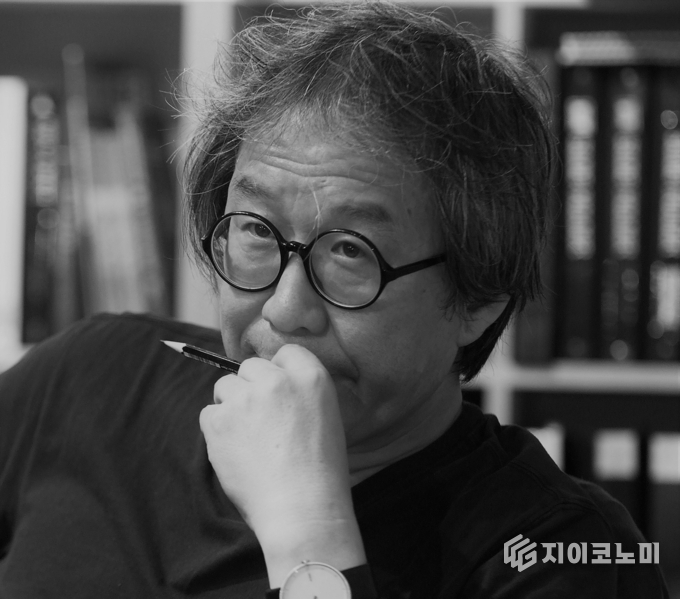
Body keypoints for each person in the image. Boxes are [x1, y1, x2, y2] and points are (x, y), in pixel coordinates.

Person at [0, 3, 670, 598]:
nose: (286, 309)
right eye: (257, 231)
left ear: (479, 300)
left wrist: (307, 532)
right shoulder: (94, 378)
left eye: (351, 251)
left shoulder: (558, 554)